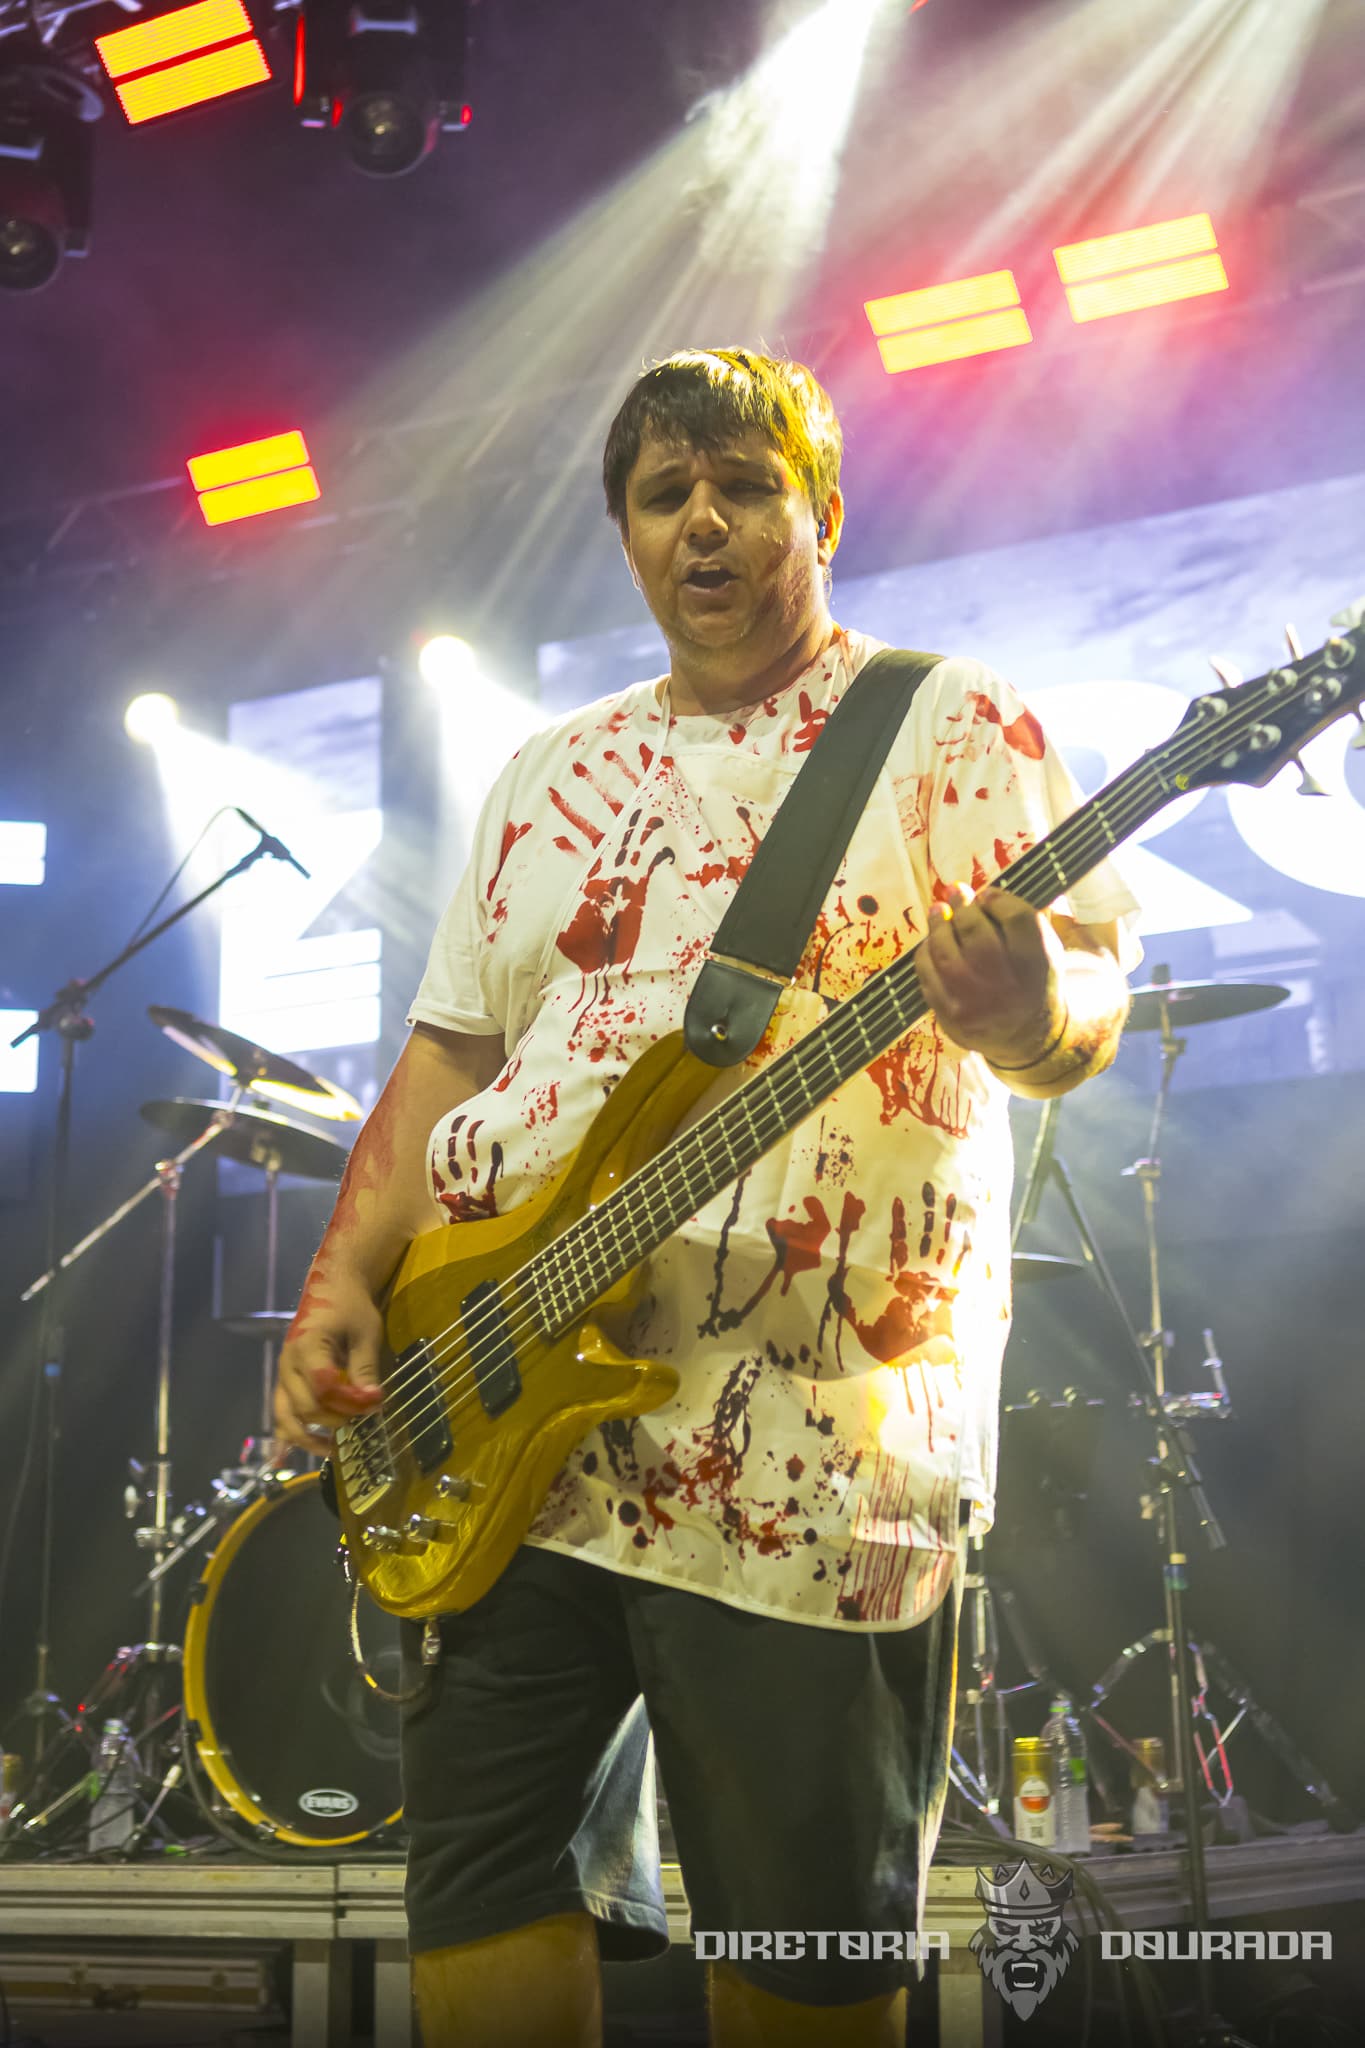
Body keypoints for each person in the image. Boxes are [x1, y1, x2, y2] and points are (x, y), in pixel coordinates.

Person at [274, 348, 1140, 2047]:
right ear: (625, 534)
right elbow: (451, 1057)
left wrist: (1029, 1007)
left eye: (745, 487)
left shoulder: (945, 721)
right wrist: (343, 1278)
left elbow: (1088, 990)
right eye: (665, 495)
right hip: (507, 1425)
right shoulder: (548, 774)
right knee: (482, 1883)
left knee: (798, 1938)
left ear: (821, 514)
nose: (705, 523)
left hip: (807, 1447)